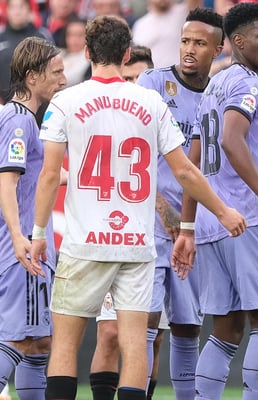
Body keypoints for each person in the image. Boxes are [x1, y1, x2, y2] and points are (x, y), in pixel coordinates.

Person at [26, 15, 246, 400]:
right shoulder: (151, 102)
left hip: (84, 242)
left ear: (87, 52)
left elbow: (48, 176)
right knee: (134, 346)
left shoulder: (66, 101)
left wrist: (39, 233)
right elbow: (185, 170)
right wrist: (223, 211)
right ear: (127, 54)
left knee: (65, 346)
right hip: (136, 244)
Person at [174, 3, 258, 399]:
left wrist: (189, 227)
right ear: (238, 41)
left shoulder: (213, 86)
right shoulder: (248, 82)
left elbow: (192, 162)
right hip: (247, 218)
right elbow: (230, 139)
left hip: (213, 224)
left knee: (225, 330)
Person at [136, 8, 224, 399]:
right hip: (150, 224)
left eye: (199, 43)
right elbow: (134, 154)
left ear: (217, 50)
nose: (189, 49)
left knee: (188, 325)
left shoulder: (220, 95)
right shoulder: (153, 83)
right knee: (146, 320)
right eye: (185, 41)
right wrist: (162, 208)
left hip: (194, 227)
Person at [87, 44, 158, 400]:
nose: (131, 86)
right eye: (127, 78)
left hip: (157, 241)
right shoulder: (102, 121)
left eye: (139, 79)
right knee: (111, 333)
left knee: (153, 337)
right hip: (113, 238)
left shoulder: (159, 117)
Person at [0, 36, 66, 399]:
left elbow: (40, 175)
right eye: (56, 72)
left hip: (25, 247)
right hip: (24, 249)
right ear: (32, 77)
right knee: (21, 338)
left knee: (39, 341)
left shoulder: (22, 120)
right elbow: (7, 182)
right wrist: (17, 236)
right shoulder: (19, 121)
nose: (63, 80)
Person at [0, 0, 53, 104]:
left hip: (38, 103)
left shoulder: (42, 36)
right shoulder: (0, 38)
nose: (17, 12)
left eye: (21, 7)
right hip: (5, 103)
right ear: (7, 11)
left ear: (29, 10)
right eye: (13, 7)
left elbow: (52, 68)